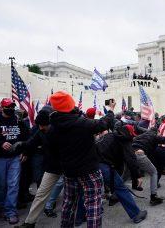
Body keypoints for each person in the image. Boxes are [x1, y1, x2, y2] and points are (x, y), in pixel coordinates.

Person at [48, 91, 115, 227]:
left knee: (69, 204)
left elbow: (52, 151)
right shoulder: (81, 123)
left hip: (69, 172)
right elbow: (104, 124)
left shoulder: (53, 127)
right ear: (70, 105)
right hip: (89, 171)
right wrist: (110, 110)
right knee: (93, 205)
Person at [96, 121, 147, 223]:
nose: (132, 139)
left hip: (91, 164)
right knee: (121, 189)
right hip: (104, 166)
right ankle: (136, 214)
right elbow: (131, 159)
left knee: (88, 192)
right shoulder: (124, 140)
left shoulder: (110, 135)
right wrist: (138, 176)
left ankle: (80, 218)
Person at [0, 98, 29, 225]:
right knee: (2, 185)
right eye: (8, 106)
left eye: (12, 106)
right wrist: (0, 143)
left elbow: (26, 137)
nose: (10, 108)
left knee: (13, 185)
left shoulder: (17, 120)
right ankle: (2, 207)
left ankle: (11, 212)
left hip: (15, 158)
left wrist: (25, 152)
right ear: (2, 107)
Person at [132, 127, 165, 205]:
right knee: (153, 172)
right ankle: (154, 197)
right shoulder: (154, 136)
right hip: (139, 154)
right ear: (157, 132)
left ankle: (117, 195)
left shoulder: (141, 136)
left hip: (130, 154)